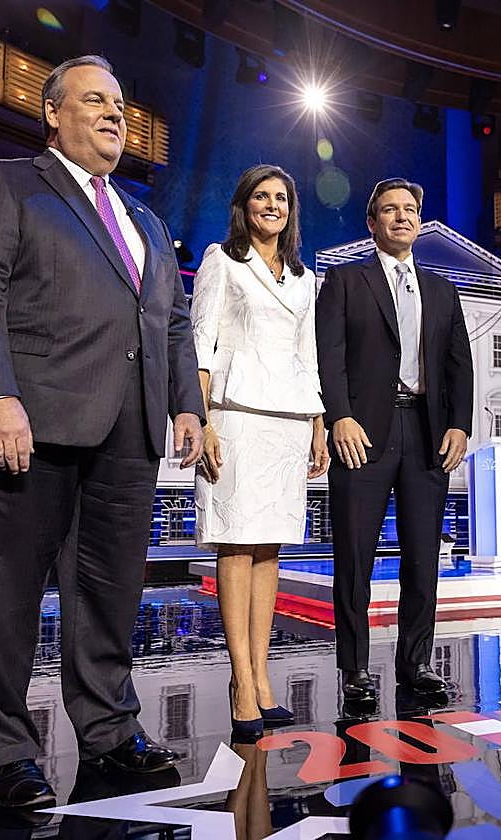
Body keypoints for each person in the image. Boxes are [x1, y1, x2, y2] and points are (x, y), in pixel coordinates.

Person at [0, 55, 204, 808]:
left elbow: (172, 323)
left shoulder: (145, 218)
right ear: (53, 112)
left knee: (110, 594)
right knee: (3, 593)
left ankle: (111, 731)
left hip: (128, 431)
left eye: (120, 102)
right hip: (25, 418)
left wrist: (186, 403)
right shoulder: (7, 182)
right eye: (95, 100)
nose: (115, 113)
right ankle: (7, 751)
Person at [316, 177, 473, 703]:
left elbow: (459, 364)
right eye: (389, 209)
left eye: (410, 209)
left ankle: (417, 663)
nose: (401, 217)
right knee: (355, 557)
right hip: (362, 433)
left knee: (422, 557)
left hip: (427, 432)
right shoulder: (343, 282)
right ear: (372, 222)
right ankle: (355, 670)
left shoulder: (442, 290)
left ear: (419, 221)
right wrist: (338, 415)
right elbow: (329, 358)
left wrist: (460, 423)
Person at [190, 165, 329, 740]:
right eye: (261, 196)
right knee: (236, 542)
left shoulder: (305, 277)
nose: (271, 205)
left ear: (291, 210)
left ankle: (263, 680)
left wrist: (319, 424)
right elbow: (202, 340)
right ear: (243, 205)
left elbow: (308, 353)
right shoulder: (221, 260)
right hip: (235, 414)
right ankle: (240, 682)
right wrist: (202, 422)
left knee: (269, 547)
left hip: (290, 420)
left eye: (281, 198)